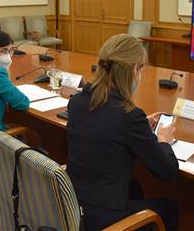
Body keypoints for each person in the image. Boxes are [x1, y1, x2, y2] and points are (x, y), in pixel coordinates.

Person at [66, 34, 179, 231]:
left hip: (73, 205)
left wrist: (140, 125)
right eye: (141, 68)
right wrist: (164, 141)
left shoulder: (76, 102)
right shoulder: (128, 116)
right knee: (170, 208)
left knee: (134, 187)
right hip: (105, 219)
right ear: (134, 69)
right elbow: (167, 171)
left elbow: (105, 124)